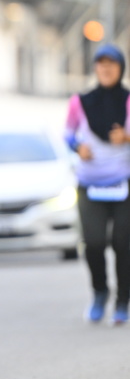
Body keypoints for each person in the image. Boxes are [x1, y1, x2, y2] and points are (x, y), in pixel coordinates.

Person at [64, 43, 130, 325]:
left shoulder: (128, 100)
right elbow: (68, 135)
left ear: (120, 68)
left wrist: (126, 137)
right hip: (90, 185)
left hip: (123, 184)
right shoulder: (80, 102)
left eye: (111, 64)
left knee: (123, 244)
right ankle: (100, 291)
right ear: (95, 68)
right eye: (101, 64)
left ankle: (123, 300)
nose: (106, 69)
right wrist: (78, 147)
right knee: (93, 243)